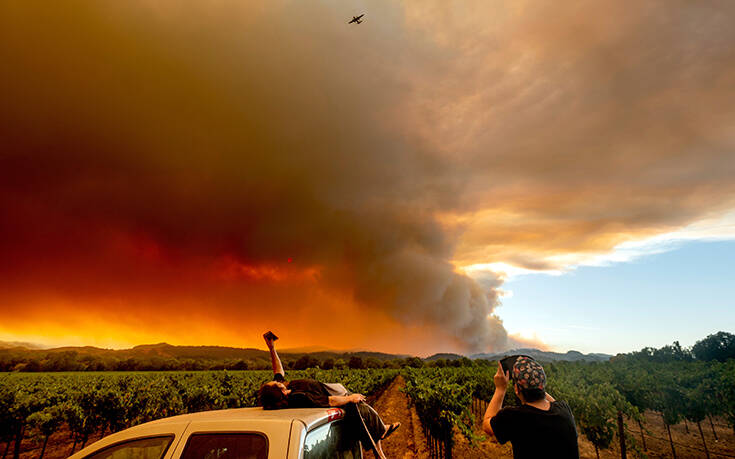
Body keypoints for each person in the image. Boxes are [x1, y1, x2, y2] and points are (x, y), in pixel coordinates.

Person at [258, 332, 400, 458]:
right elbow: (329, 401)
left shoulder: (287, 388)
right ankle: (381, 436)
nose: (274, 381)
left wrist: (272, 348)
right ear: (277, 392)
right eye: (273, 384)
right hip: (339, 396)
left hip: (337, 392)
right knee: (361, 411)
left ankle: (381, 436)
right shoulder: (297, 397)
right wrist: (350, 398)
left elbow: (278, 370)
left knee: (365, 415)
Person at [482, 356, 579, 458]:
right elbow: (553, 402)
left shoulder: (514, 417)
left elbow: (486, 425)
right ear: (543, 384)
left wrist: (500, 389)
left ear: (516, 389)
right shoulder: (564, 409)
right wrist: (535, 382)